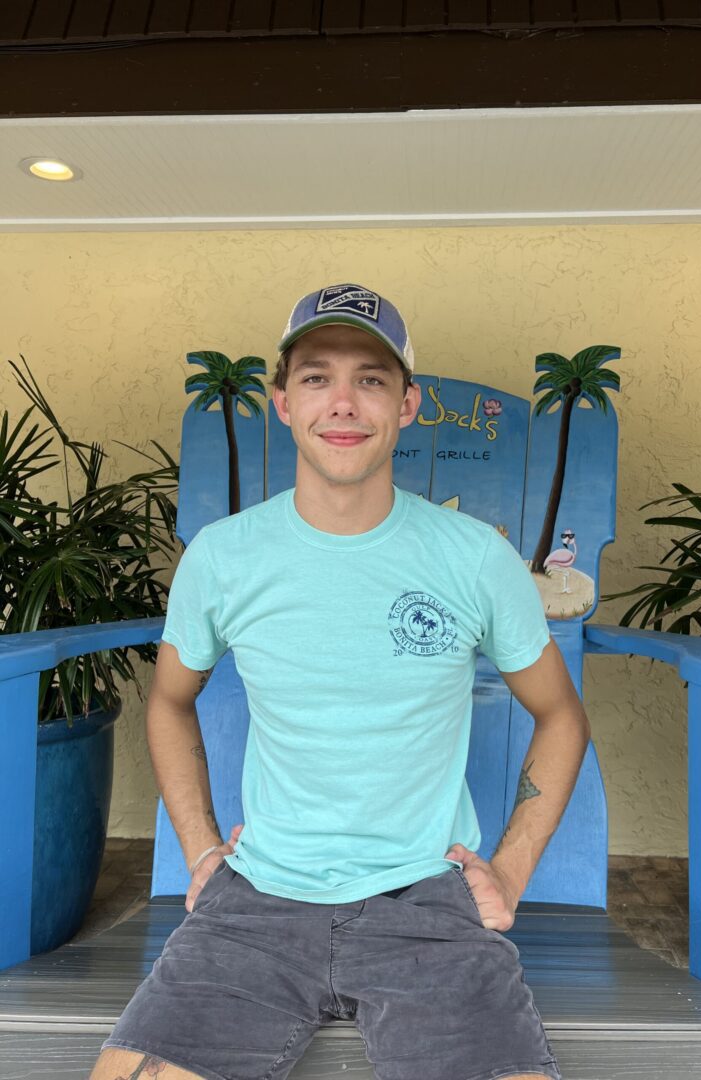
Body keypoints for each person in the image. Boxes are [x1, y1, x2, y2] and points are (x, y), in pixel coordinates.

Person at [90, 283, 590, 1080]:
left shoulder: (474, 557)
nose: (344, 402)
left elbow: (560, 716)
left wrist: (512, 869)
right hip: (253, 902)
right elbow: (170, 700)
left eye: (372, 378)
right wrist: (201, 851)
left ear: (409, 404)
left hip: (428, 900)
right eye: (317, 377)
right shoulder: (222, 558)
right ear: (283, 403)